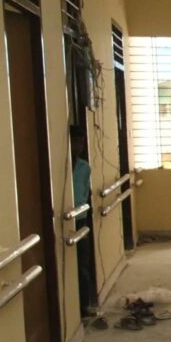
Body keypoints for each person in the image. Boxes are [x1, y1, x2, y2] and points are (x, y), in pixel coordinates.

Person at [70, 125, 97, 317]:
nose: (78, 147)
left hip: (80, 219)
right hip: (65, 219)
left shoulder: (84, 167)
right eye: (74, 142)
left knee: (82, 264)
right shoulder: (58, 168)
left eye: (80, 143)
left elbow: (86, 193)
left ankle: (84, 304)